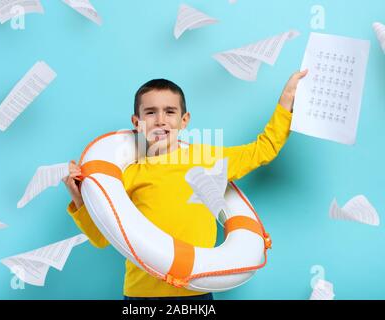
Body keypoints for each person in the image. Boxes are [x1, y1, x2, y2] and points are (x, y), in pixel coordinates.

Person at [64, 71, 308, 300]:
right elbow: (103, 238)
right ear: (136, 122)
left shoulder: (207, 159)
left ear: (184, 120)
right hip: (141, 293)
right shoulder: (129, 175)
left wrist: (286, 102)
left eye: (169, 112)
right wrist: (80, 199)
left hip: (196, 290)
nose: (160, 120)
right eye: (150, 112)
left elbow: (262, 149)